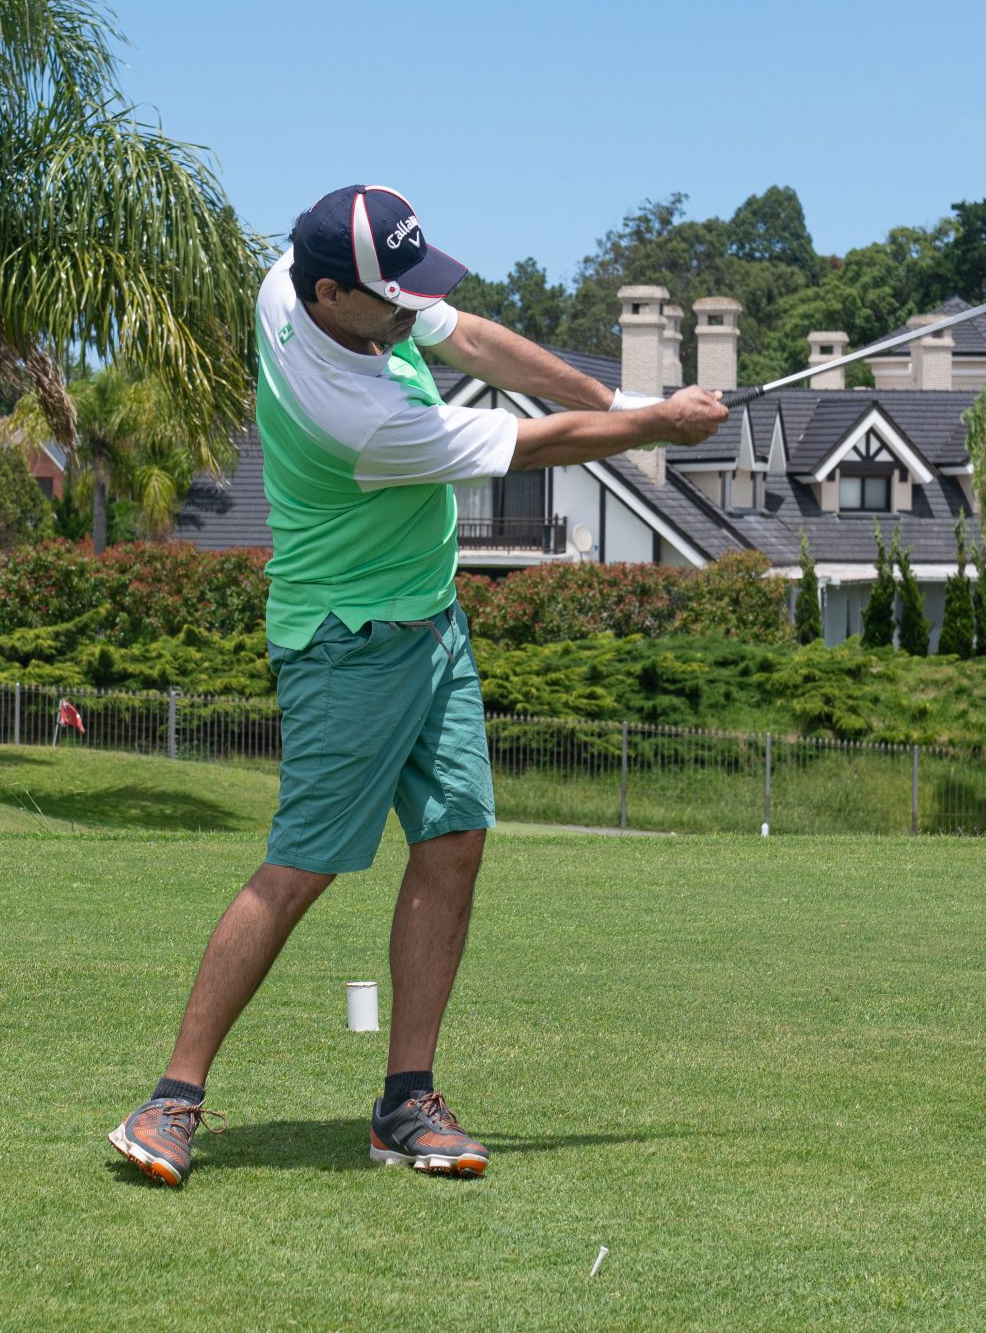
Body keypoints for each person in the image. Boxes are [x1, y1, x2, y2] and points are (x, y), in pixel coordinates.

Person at [110, 184, 727, 1186]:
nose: (412, 309)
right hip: (346, 638)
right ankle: (172, 1097)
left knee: (453, 840)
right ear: (329, 295)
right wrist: (653, 426)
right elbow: (534, 445)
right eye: (391, 297)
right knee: (300, 866)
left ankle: (406, 1098)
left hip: (432, 621)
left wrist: (617, 399)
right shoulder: (357, 415)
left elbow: (472, 338)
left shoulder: (300, 280)